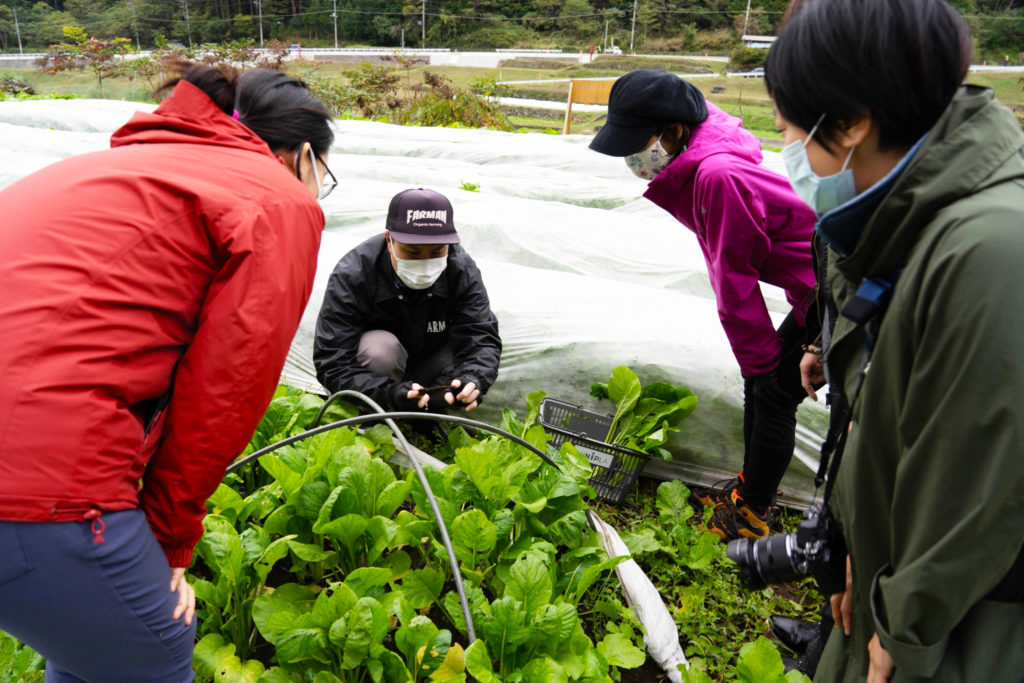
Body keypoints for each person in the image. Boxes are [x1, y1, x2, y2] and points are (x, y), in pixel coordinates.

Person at [0, 62, 335, 681]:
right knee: (154, 648)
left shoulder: (106, 167)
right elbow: (225, 391)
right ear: (302, 155)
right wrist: (168, 536)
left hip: (29, 451)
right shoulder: (274, 196)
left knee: (93, 649)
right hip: (35, 475)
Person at [766, 0, 1024, 680]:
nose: (784, 143)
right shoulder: (906, 222)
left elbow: (982, 487)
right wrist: (857, 541)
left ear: (852, 121)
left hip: (958, 633)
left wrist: (904, 631)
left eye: (791, 124)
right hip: (889, 591)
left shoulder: (992, 251)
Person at [589, 69, 817, 541]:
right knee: (766, 387)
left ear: (673, 131)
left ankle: (753, 514)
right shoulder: (702, 150)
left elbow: (734, 280)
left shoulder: (717, 175)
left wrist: (758, 361)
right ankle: (748, 490)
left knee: (772, 390)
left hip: (833, 287)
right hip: (815, 282)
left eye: (638, 143)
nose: (633, 157)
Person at [314, 187, 501, 416]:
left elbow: (480, 336)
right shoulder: (355, 273)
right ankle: (373, 414)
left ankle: (428, 414)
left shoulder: (461, 270)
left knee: (461, 351)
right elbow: (333, 362)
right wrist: (388, 395)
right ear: (389, 240)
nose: (424, 262)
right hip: (381, 375)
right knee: (380, 349)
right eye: (412, 252)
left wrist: (474, 378)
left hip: (431, 364)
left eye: (436, 252)